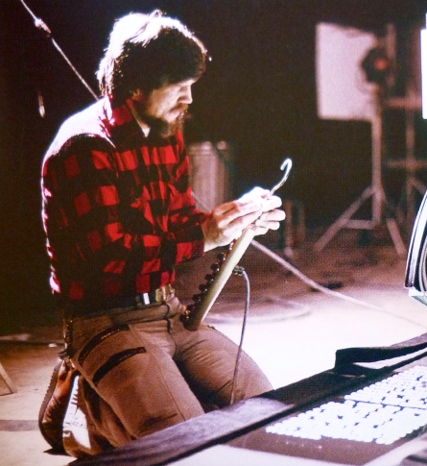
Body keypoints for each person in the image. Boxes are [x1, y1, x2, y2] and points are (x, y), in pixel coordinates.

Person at [39, 10, 285, 454]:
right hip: (105, 321)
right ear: (136, 86)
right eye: (179, 87)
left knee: (267, 411)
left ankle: (115, 406)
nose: (189, 100)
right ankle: (92, 401)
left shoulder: (166, 135)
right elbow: (111, 258)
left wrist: (235, 221)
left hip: (168, 311)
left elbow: (179, 221)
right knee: (190, 445)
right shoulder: (85, 147)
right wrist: (206, 235)